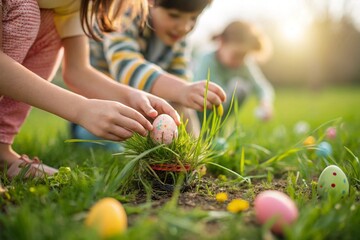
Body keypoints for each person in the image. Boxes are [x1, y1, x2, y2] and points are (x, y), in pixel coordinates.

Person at [0, 0, 181, 179]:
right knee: (26, 11)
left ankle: (1, 147)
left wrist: (131, 96)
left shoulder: (73, 5)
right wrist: (80, 109)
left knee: (50, 24)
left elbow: (77, 71)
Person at [70, 0, 226, 149]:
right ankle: (85, 136)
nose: (184, 27)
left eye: (193, 18)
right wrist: (182, 89)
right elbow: (126, 67)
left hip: (141, 111)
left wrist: (193, 148)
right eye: (174, 15)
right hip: (97, 110)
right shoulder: (124, 14)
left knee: (168, 115)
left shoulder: (179, 40)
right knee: (118, 143)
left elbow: (179, 96)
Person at [193, 20, 275, 121]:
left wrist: (265, 103)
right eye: (236, 55)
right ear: (221, 42)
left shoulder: (244, 65)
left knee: (241, 88)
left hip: (219, 112)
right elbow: (204, 96)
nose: (240, 61)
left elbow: (262, 87)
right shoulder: (207, 60)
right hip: (195, 113)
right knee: (236, 87)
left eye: (244, 55)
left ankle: (219, 126)